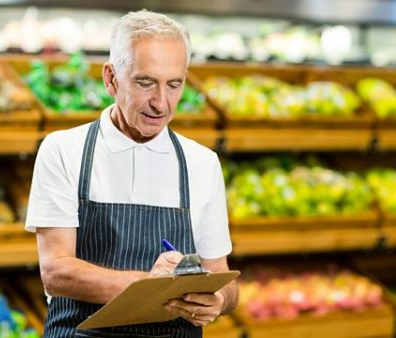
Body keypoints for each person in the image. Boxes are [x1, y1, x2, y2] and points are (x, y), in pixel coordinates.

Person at [25, 9, 238, 338]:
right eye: (146, 82)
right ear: (110, 78)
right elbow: (56, 272)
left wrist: (219, 299)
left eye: (174, 85)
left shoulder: (202, 163)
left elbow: (222, 276)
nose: (161, 103)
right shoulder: (64, 150)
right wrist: (149, 286)